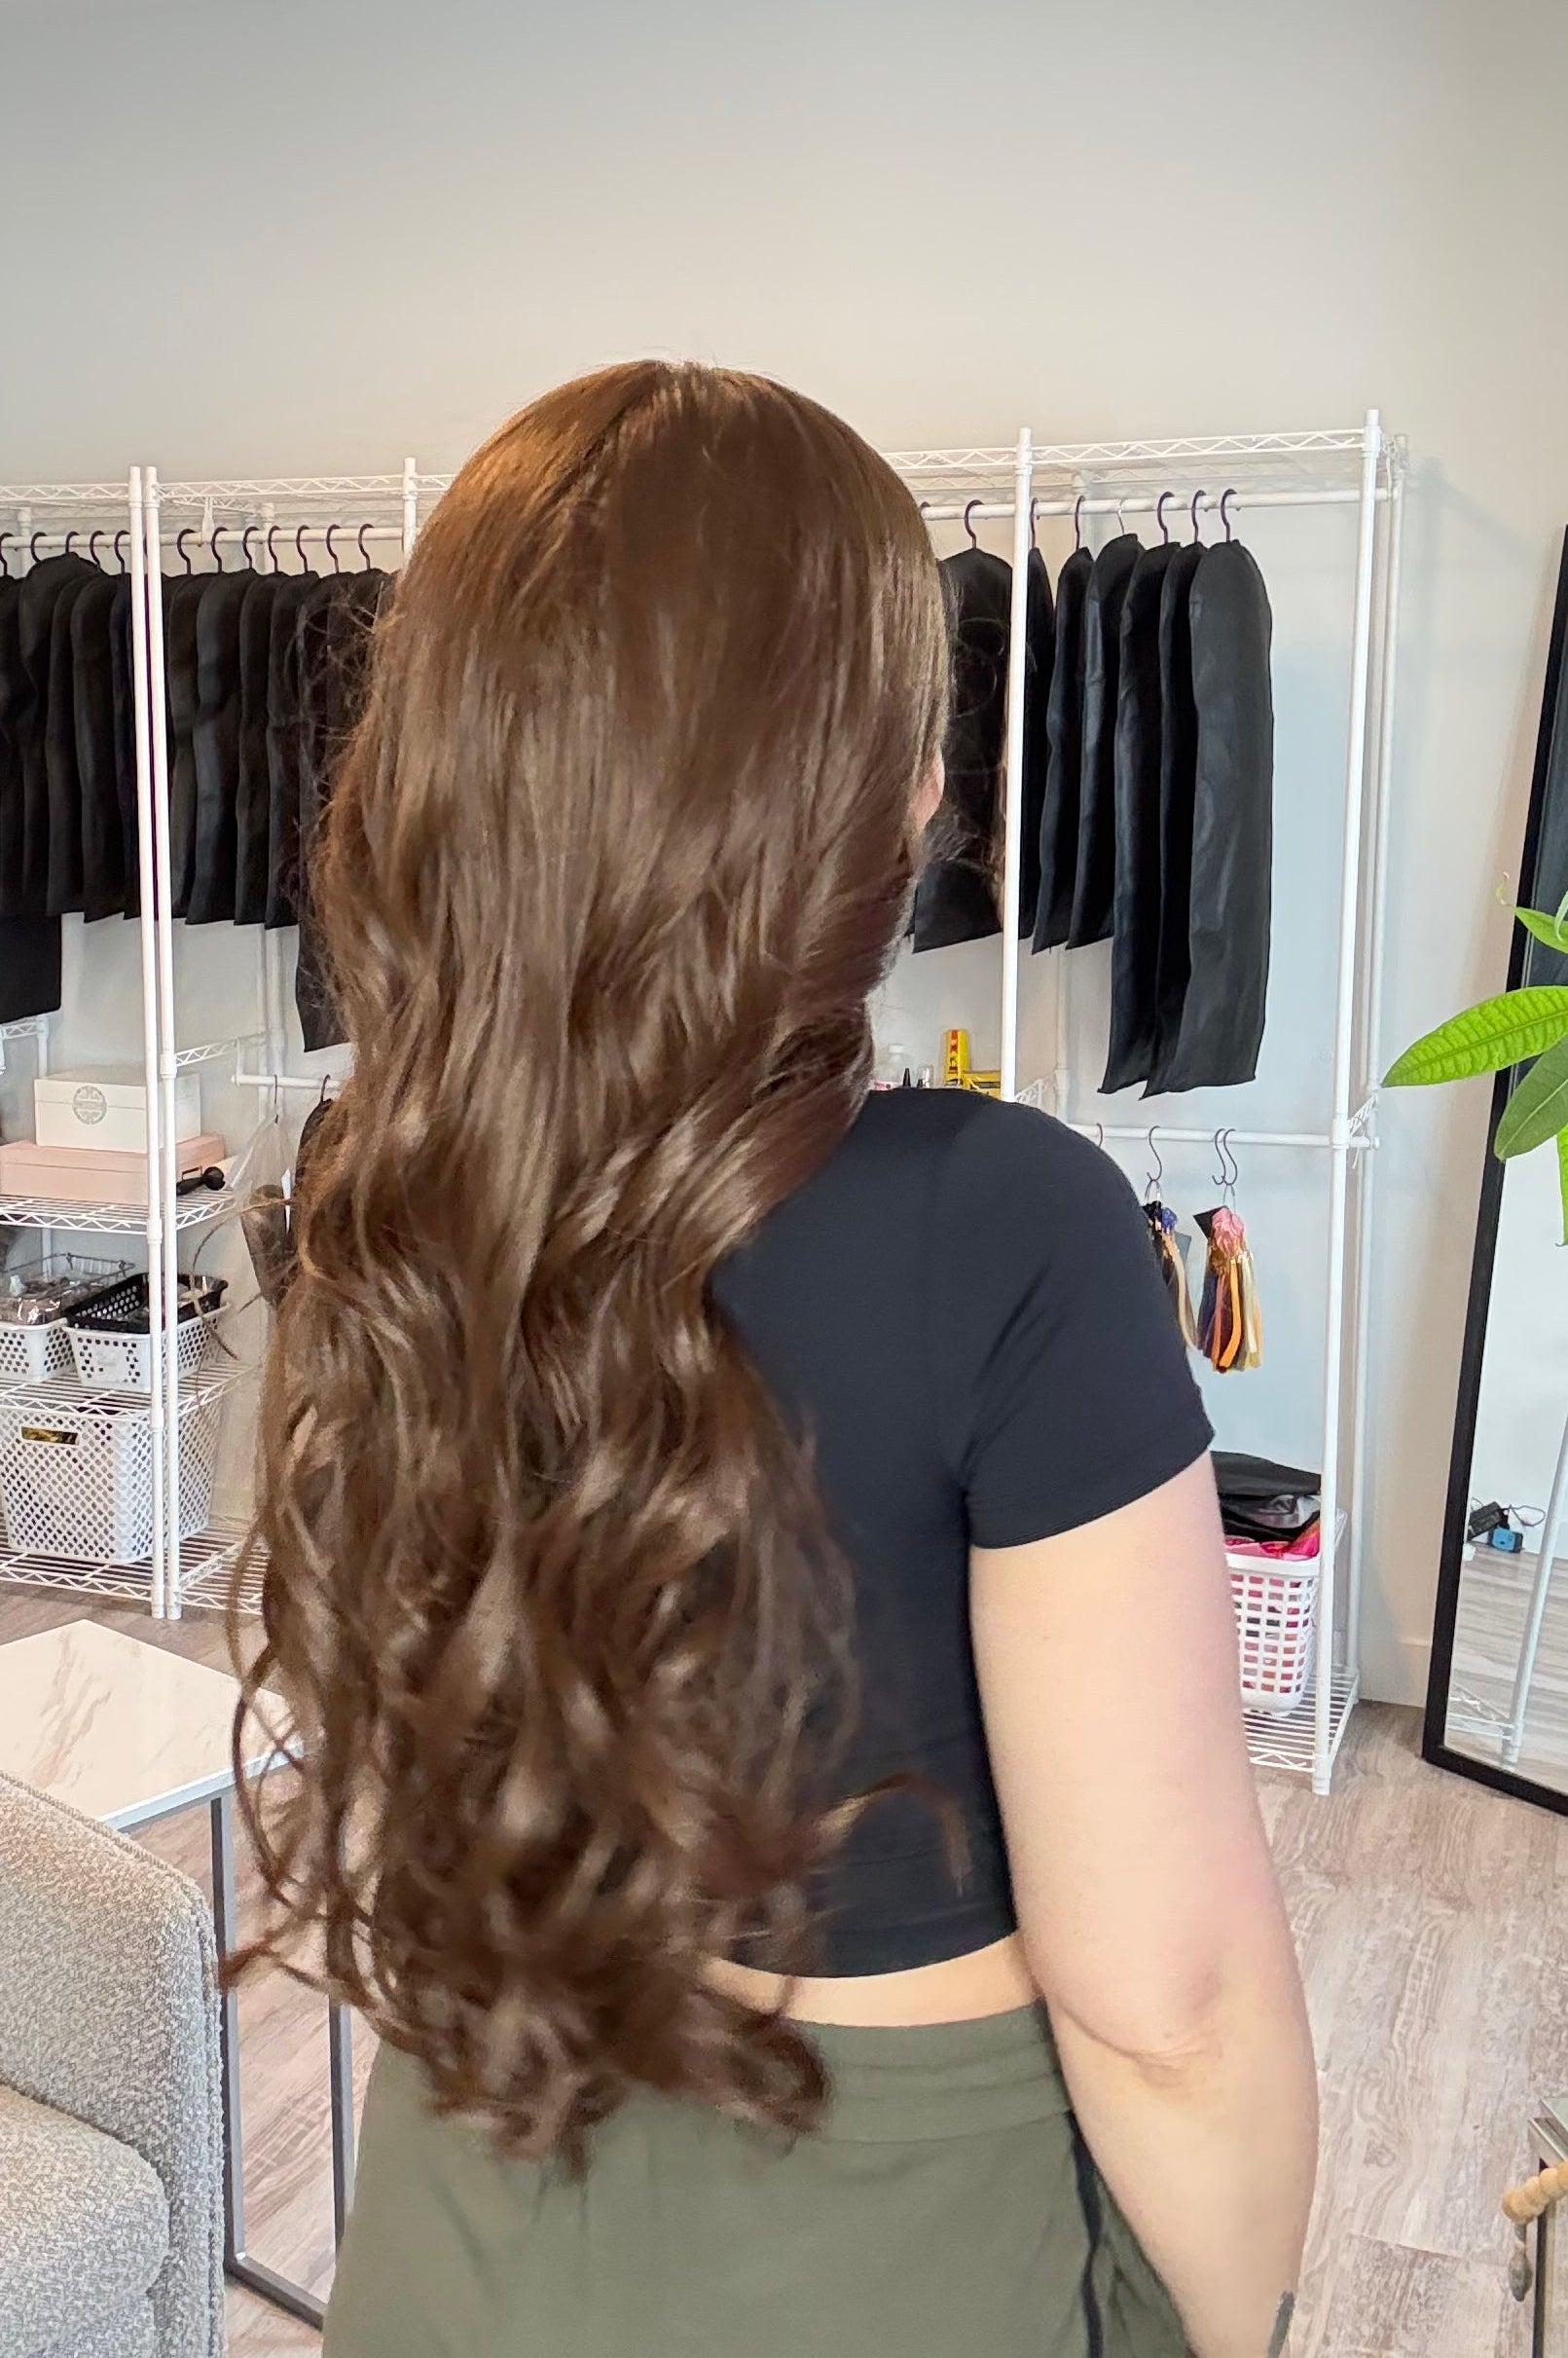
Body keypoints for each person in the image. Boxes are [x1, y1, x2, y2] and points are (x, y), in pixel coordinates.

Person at [236, 361, 1317, 2358]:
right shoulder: (1014, 1226)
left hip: (460, 2190)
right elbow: (1168, 2008)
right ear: (875, 794)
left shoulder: (374, 1179)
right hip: (885, 2245)